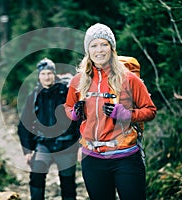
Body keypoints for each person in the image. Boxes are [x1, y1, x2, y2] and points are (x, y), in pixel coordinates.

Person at [64, 23, 157, 200]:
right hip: (92, 159)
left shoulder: (129, 79)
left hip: (126, 157)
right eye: (94, 45)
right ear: (87, 50)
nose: (99, 50)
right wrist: (74, 114)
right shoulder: (78, 80)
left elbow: (150, 110)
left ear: (112, 48)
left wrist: (127, 114)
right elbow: (68, 107)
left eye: (104, 44)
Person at [17, 58, 80, 200]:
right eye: (43, 74)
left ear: (54, 74)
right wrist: (27, 150)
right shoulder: (33, 96)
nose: (47, 77)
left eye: (49, 73)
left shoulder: (66, 92)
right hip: (43, 144)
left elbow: (80, 118)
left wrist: (81, 144)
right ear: (39, 76)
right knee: (36, 176)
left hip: (66, 144)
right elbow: (24, 124)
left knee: (68, 182)